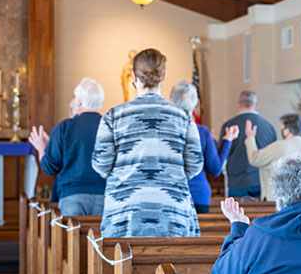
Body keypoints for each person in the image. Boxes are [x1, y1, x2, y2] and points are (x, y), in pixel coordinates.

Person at [91, 48, 204, 237]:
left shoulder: (112, 117)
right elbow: (195, 165)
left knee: (121, 265)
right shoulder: (184, 117)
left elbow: (101, 165)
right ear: (164, 76)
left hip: (124, 214)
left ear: (134, 78)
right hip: (173, 212)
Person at [29, 77, 107, 217]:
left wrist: (42, 148)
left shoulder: (65, 128)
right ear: (100, 103)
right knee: (100, 239)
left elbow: (50, 168)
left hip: (73, 196)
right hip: (105, 197)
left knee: (70, 238)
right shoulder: (110, 128)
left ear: (78, 102)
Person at [169, 82, 240, 214]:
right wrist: (227, 140)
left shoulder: (164, 131)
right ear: (195, 104)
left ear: (171, 102)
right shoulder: (202, 132)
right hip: (198, 194)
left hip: (170, 194)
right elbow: (215, 169)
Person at [244, 113, 301, 201]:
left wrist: (250, 138)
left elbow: (255, 159)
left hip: (279, 200)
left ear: (287, 130)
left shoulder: (278, 147)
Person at [219, 90, 277, 198]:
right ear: (256, 105)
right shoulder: (268, 127)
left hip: (237, 182)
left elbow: (223, 154)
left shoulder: (228, 126)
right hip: (260, 181)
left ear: (238, 104)